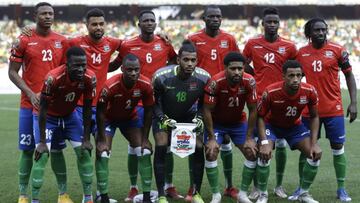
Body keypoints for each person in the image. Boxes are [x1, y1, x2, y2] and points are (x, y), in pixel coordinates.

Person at [109, 10, 179, 202]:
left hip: (161, 102)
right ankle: (133, 188)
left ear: (156, 24)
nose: (149, 23)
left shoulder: (164, 43)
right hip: (137, 102)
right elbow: (115, 65)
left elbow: (174, 61)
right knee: (137, 146)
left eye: (152, 20)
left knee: (166, 145)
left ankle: (169, 185)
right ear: (138, 23)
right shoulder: (128, 45)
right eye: (145, 20)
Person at [8, 2, 71, 203]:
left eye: (50, 13)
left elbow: (65, 73)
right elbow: (12, 72)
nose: (47, 16)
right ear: (35, 15)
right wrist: (30, 93)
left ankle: (63, 194)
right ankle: (23, 195)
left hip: (54, 108)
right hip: (29, 104)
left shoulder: (62, 41)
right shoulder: (24, 40)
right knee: (27, 150)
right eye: (43, 13)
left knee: (57, 150)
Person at [291, 18, 357, 202]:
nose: (321, 33)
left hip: (334, 109)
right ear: (309, 33)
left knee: (338, 147)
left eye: (323, 30)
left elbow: (350, 76)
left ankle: (341, 188)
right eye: (317, 30)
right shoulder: (301, 54)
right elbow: (294, 79)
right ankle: (300, 187)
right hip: (309, 111)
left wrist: (353, 103)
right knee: (306, 149)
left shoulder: (338, 50)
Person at [30, 46, 100, 203]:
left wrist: (87, 138)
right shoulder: (53, 78)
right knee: (42, 155)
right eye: (77, 65)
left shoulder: (90, 78)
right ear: (67, 64)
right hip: (47, 118)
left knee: (84, 152)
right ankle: (34, 200)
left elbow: (88, 108)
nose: (81, 69)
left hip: (70, 117)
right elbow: (42, 109)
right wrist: (41, 142)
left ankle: (88, 198)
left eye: (84, 65)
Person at [242, 7, 297, 199]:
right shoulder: (252, 43)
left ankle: (279, 185)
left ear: (279, 23)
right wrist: (253, 74)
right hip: (258, 100)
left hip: (281, 101)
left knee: (280, 145)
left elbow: (297, 70)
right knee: (260, 144)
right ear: (262, 23)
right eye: (269, 22)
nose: (272, 25)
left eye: (275, 21)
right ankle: (257, 186)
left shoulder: (289, 46)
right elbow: (242, 63)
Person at [187, 5, 240, 200]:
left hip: (224, 98)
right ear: (204, 19)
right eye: (211, 16)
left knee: (225, 142)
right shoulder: (193, 40)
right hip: (200, 99)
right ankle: (195, 186)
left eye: (218, 16)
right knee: (198, 144)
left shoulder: (229, 39)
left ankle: (229, 186)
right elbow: (184, 62)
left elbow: (238, 64)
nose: (215, 19)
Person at [152, 40, 210, 203]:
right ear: (178, 60)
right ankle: (162, 195)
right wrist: (163, 118)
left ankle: (196, 193)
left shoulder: (204, 78)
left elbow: (204, 104)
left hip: (187, 116)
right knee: (162, 145)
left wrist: (199, 117)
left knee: (199, 146)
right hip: (164, 115)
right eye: (186, 60)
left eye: (193, 60)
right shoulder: (161, 77)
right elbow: (154, 103)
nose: (190, 64)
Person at [256, 60, 322, 203]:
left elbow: (315, 116)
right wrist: (264, 142)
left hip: (293, 127)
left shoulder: (310, 91)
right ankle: (262, 194)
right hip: (271, 126)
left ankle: (303, 194)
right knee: (264, 154)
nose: (295, 79)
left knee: (314, 154)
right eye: (291, 76)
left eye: (299, 75)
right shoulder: (271, 91)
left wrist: (314, 143)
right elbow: (260, 117)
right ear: (283, 76)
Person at [96, 54, 154, 203]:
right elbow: (100, 113)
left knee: (144, 150)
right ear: (122, 69)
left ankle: (146, 197)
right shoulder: (110, 86)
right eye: (129, 70)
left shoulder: (145, 84)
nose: (133, 73)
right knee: (102, 153)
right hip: (109, 119)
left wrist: (146, 139)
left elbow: (148, 111)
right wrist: (101, 139)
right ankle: (102, 197)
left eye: (136, 69)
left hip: (129, 120)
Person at [202, 52, 257, 203]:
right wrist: (212, 138)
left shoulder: (249, 81)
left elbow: (253, 109)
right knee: (211, 152)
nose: (237, 72)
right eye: (233, 69)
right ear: (225, 68)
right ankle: (216, 195)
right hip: (217, 123)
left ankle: (243, 194)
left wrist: (249, 138)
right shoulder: (215, 82)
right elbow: (206, 109)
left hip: (238, 123)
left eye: (240, 68)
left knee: (252, 152)